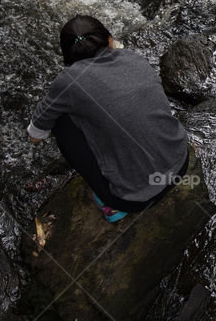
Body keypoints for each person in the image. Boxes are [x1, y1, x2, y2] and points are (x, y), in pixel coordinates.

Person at [26, 15, 190, 222]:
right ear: (110, 40)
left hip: (133, 198)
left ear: (67, 54)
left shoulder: (68, 81)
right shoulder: (133, 57)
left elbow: (35, 135)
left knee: (60, 122)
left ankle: (110, 204)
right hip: (180, 163)